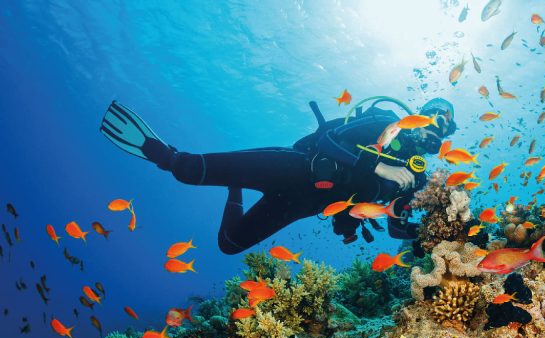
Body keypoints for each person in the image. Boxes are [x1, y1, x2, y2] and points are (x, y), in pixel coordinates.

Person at [99, 97, 457, 254]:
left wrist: (423, 236)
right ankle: (154, 147)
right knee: (187, 169)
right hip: (294, 166)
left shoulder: (418, 177)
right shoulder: (386, 124)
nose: (437, 131)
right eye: (434, 119)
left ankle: (235, 189)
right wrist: (378, 165)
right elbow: (327, 141)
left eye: (446, 127)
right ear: (421, 116)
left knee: (229, 245)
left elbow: (393, 223)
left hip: (305, 204)